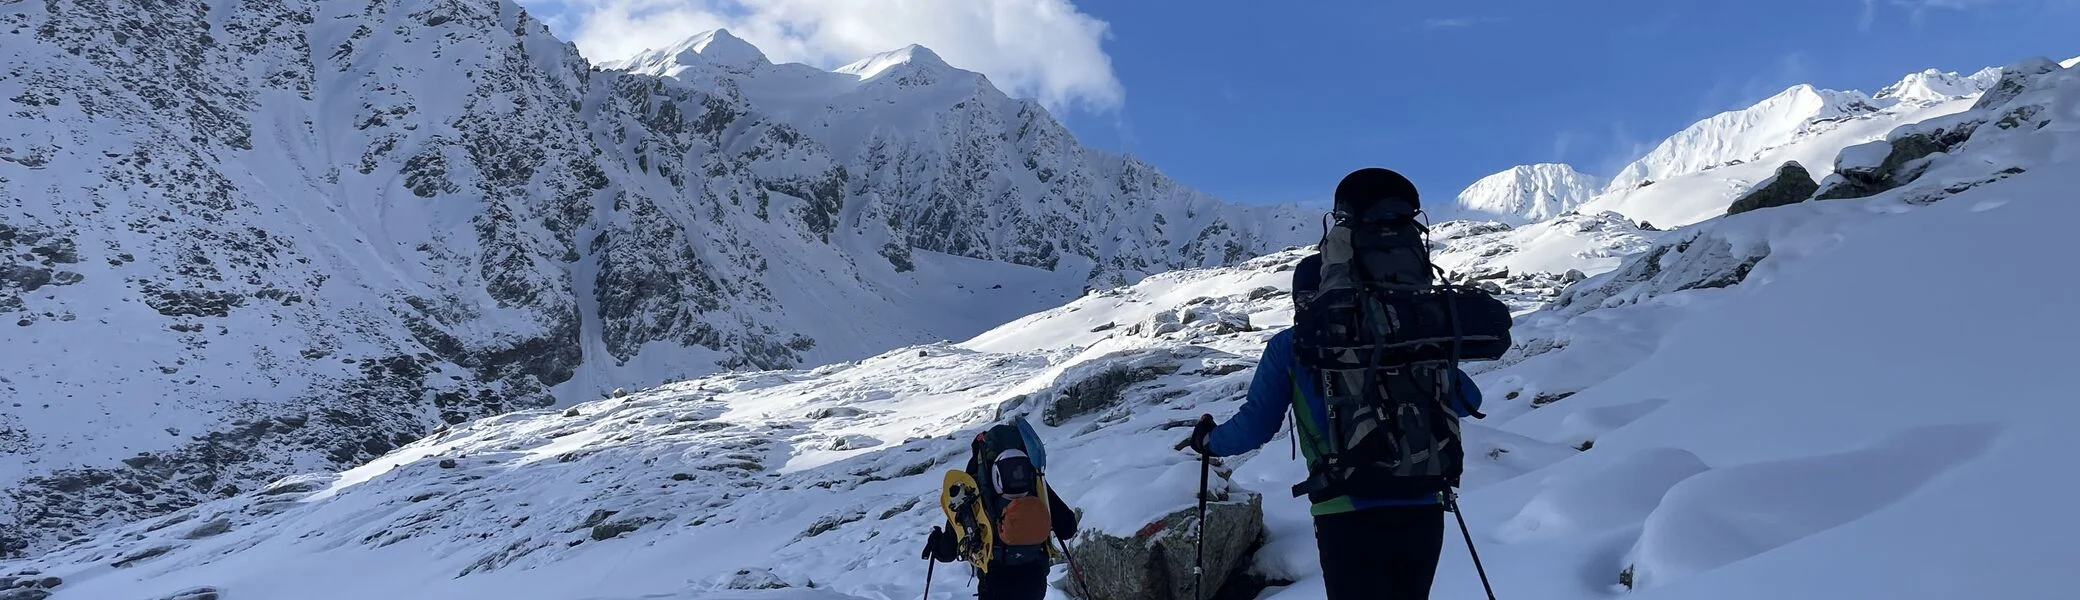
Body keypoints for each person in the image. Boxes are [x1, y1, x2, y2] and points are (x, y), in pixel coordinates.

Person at [1186, 168, 1484, 600]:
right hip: (1424, 500)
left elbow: (1256, 425)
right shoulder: (1408, 331)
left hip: (1346, 507)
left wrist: (1208, 442)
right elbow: (1466, 398)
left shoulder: (1292, 346)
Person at [923, 423, 1080, 600]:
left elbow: (948, 552)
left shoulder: (973, 490)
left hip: (995, 582)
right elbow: (1068, 528)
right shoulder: (1035, 484)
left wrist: (936, 542)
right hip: (1035, 581)